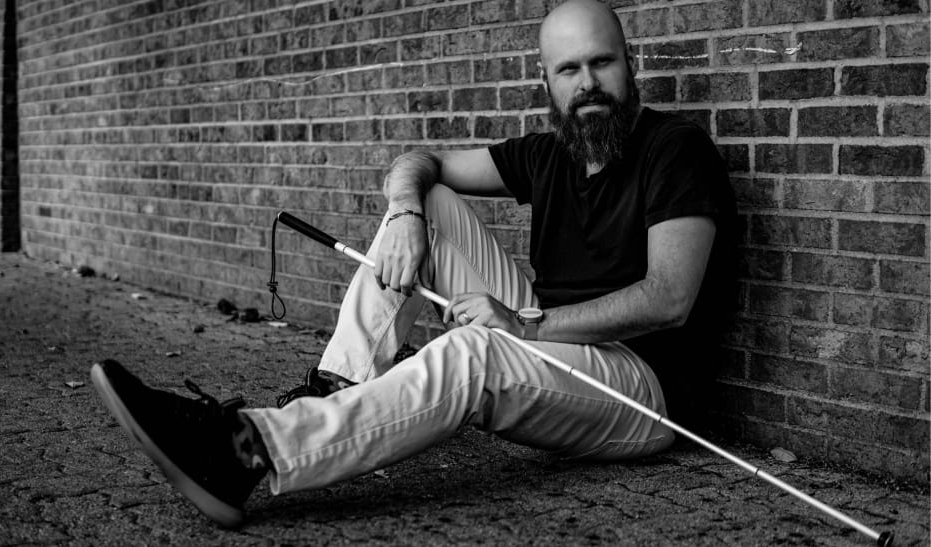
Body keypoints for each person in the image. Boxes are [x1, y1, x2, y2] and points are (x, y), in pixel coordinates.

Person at [91, 0, 737, 529]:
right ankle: (337, 392)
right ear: (546, 81)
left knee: (473, 352)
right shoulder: (549, 154)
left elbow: (667, 297)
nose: (588, 84)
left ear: (632, 65)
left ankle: (250, 449)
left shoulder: (675, 150)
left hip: (640, 386)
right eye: (568, 69)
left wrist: (525, 326)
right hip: (552, 340)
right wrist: (404, 213)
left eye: (602, 62)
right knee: (431, 200)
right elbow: (417, 162)